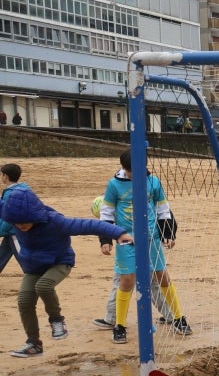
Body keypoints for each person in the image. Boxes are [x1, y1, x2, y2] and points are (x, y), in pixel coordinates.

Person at [2, 187, 131, 358]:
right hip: (33, 266)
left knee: (44, 286)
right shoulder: (12, 214)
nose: (20, 225)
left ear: (34, 215)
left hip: (60, 262)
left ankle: (57, 321)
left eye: (25, 221)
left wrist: (119, 233)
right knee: (24, 301)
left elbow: (89, 224)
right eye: (16, 223)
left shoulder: (55, 221)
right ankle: (33, 343)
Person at [101, 148, 190, 344]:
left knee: (163, 276)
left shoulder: (153, 182)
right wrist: (105, 240)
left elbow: (163, 209)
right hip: (126, 239)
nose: (137, 175)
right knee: (127, 279)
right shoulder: (114, 185)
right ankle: (120, 325)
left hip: (152, 239)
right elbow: (106, 213)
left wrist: (167, 234)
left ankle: (178, 318)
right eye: (133, 172)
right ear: (124, 169)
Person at [0, 163, 32, 275]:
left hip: (15, 231)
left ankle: (32, 276)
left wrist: (1, 230)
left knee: (22, 257)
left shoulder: (11, 193)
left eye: (2, 175)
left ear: (6, 176)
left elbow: (10, 216)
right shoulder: (23, 189)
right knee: (2, 253)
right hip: (13, 231)